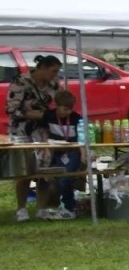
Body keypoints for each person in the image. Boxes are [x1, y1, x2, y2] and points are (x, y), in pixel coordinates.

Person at [7, 53, 60, 222]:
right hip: (21, 130)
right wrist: (37, 114)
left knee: (44, 170)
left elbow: (58, 105)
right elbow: (11, 110)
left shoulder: (54, 84)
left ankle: (41, 208)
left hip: (42, 131)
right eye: (53, 71)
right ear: (43, 68)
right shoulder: (21, 82)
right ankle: (21, 209)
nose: (55, 75)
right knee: (24, 170)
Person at [41, 88, 83, 219]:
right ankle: (66, 205)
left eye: (70, 109)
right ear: (57, 106)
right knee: (59, 179)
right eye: (65, 109)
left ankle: (70, 209)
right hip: (56, 151)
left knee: (67, 178)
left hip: (72, 151)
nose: (68, 112)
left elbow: (81, 138)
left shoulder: (76, 118)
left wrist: (83, 155)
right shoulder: (49, 116)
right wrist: (46, 149)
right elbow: (44, 132)